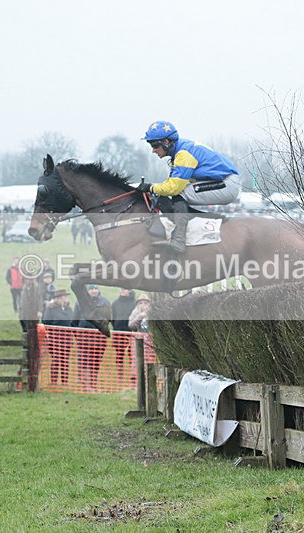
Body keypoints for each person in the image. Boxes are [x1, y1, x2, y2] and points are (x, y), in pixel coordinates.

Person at [136, 120, 241, 253]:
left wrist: (150, 187)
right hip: (221, 182)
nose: (153, 150)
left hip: (227, 184)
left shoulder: (183, 154)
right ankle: (209, 218)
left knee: (180, 194)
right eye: (151, 145)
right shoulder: (179, 151)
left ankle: (179, 240)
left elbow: (173, 188)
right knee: (176, 195)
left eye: (155, 145)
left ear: (167, 142)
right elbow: (171, 185)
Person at [72, 284, 111, 391]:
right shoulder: (80, 303)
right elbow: (74, 322)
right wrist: (79, 336)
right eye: (91, 289)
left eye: (95, 289)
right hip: (84, 338)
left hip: (100, 339)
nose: (94, 291)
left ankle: (94, 384)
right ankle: (86, 385)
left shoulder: (105, 302)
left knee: (96, 361)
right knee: (85, 361)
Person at [42, 288, 75, 385]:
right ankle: (54, 382)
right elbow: (45, 322)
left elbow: (72, 322)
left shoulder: (69, 309)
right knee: (56, 359)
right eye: (64, 297)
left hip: (67, 339)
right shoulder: (51, 309)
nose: (65, 298)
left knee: (65, 360)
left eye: (66, 296)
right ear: (58, 298)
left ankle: (65, 382)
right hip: (55, 339)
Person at [110, 288, 137, 382]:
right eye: (121, 289)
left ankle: (132, 376)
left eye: (125, 289)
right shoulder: (115, 304)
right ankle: (120, 378)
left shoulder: (135, 303)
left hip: (131, 333)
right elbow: (112, 318)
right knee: (119, 355)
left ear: (130, 290)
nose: (123, 290)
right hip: (119, 333)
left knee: (132, 355)